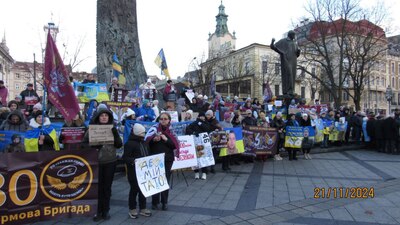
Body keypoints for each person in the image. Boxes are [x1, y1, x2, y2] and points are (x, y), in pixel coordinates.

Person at [83, 108, 123, 221]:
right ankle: (97, 211)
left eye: (106, 115)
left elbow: (119, 145)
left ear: (109, 117)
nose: (104, 117)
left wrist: (115, 134)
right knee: (98, 188)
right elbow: (84, 144)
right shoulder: (91, 129)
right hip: (96, 162)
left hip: (110, 161)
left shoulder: (112, 128)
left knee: (107, 188)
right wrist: (94, 146)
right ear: (98, 117)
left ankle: (106, 210)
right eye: (102, 116)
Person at [145, 112, 179, 211]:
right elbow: (146, 142)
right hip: (155, 159)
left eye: (165, 119)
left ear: (169, 120)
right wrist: (153, 140)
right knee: (155, 180)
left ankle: (164, 202)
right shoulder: (154, 129)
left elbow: (175, 145)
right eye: (161, 119)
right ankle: (155, 202)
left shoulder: (172, 131)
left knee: (165, 181)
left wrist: (165, 139)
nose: (163, 120)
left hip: (167, 159)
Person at [123, 123, 152, 219]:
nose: (144, 134)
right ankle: (132, 208)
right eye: (143, 132)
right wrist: (134, 161)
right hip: (133, 172)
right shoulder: (129, 144)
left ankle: (143, 208)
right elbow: (125, 158)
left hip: (143, 172)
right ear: (138, 133)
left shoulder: (143, 142)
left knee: (143, 190)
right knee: (134, 190)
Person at [271, 30, 300, 95]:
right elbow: (274, 47)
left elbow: (297, 55)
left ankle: (291, 90)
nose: (294, 36)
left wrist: (298, 51)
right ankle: (287, 91)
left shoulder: (294, 43)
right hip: (286, 60)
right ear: (290, 35)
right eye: (293, 35)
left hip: (293, 62)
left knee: (292, 75)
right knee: (288, 74)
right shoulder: (283, 41)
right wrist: (272, 42)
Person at [185, 112, 211, 179]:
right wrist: (193, 132)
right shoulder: (194, 123)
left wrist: (201, 123)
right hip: (195, 143)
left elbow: (207, 129)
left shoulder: (205, 123)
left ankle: (204, 173)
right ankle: (196, 173)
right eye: (201, 116)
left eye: (203, 116)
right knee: (195, 158)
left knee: (203, 158)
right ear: (199, 117)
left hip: (203, 144)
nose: (202, 118)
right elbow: (187, 129)